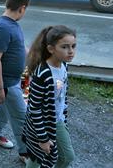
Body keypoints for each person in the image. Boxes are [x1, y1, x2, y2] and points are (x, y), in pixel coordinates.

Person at [22, 25, 76, 168]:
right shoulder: (43, 74)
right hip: (42, 125)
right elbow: (34, 108)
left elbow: (62, 96)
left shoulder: (64, 65)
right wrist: (43, 138)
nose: (71, 51)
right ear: (51, 49)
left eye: (73, 46)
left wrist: (63, 116)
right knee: (54, 156)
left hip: (57, 120)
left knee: (42, 157)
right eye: (64, 47)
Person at [0, 0, 30, 163]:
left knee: (3, 109)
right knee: (21, 117)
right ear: (22, 8)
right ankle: (25, 153)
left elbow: (19, 49)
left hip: (11, 80)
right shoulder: (3, 28)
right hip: (6, 82)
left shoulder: (13, 25)